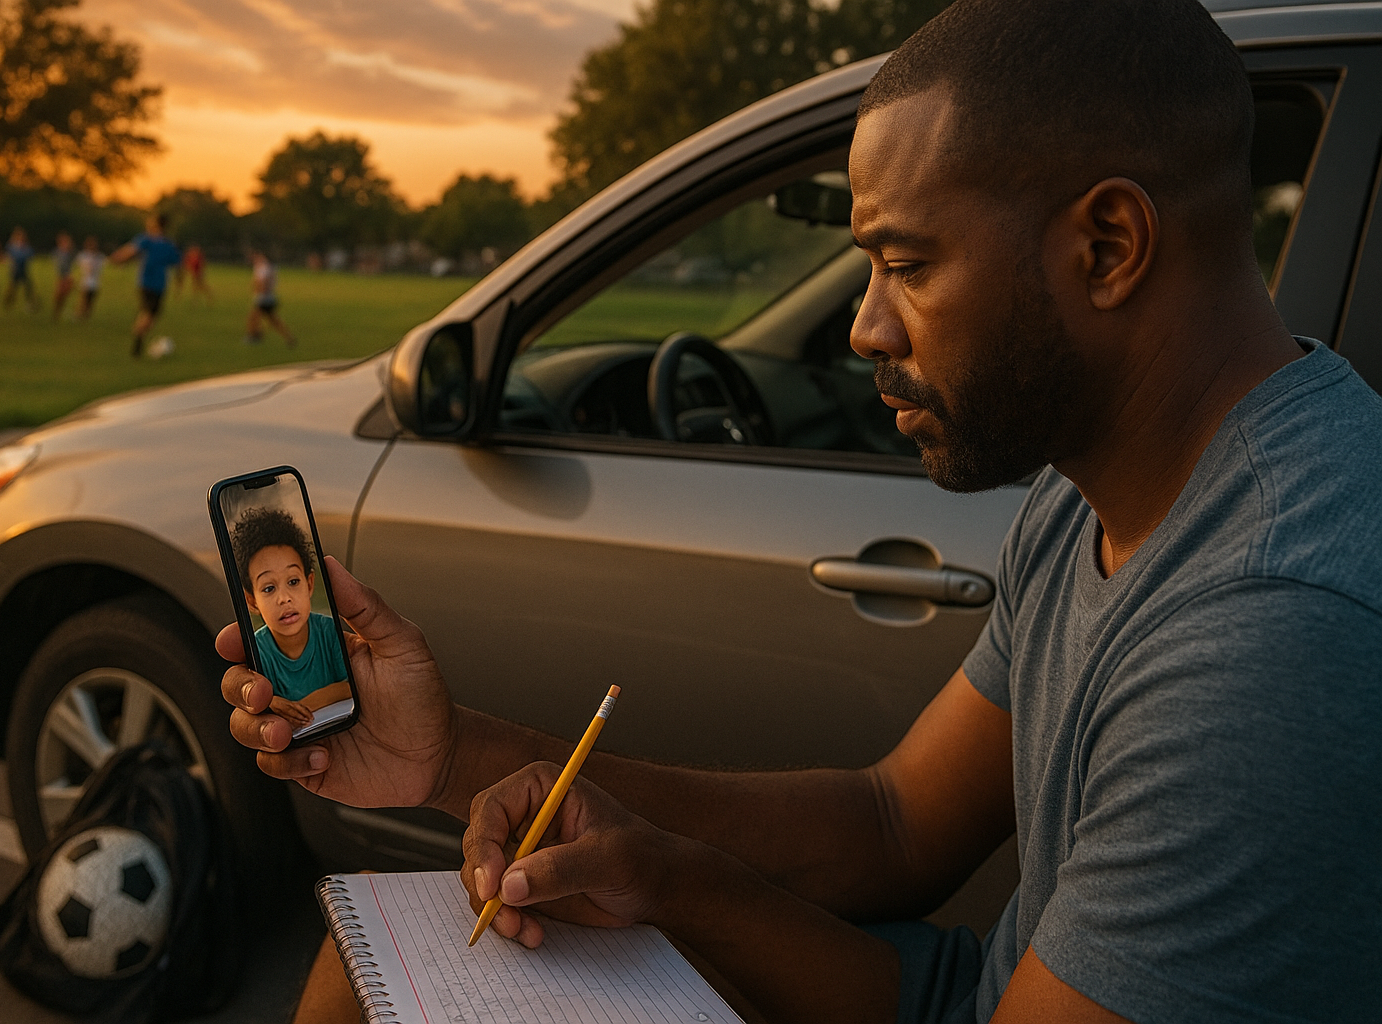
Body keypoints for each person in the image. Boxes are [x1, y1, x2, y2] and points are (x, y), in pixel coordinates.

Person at [220, 1, 1382, 1022]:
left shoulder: (1271, 637)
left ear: (1109, 244)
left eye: (906, 263)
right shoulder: (1106, 486)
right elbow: (893, 825)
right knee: (369, 968)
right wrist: (461, 762)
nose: (867, 327)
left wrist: (673, 888)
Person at [227, 507, 349, 730]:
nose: (284, 598)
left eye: (293, 582)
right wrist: (270, 702)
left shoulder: (328, 631)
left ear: (309, 584)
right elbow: (262, 706)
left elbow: (351, 686)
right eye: (269, 588)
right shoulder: (258, 651)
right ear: (252, 602)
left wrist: (301, 707)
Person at [110, 213, 182, 357]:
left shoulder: (154, 241)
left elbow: (130, 251)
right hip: (152, 284)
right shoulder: (161, 243)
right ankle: (137, 343)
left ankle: (139, 337)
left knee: (150, 315)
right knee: (149, 315)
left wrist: (117, 258)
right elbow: (178, 265)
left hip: (151, 284)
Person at [245, 249, 295, 347]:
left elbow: (264, 282)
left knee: (254, 318)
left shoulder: (264, 268)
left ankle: (254, 336)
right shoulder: (268, 267)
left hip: (264, 298)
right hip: (267, 297)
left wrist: (260, 292)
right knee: (271, 320)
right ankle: (288, 337)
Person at [3, 226, 38, 311]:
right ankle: (8, 302)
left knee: (28, 287)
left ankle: (30, 303)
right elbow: (8, 256)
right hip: (16, 270)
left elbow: (30, 255)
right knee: (13, 288)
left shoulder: (25, 246)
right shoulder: (12, 246)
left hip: (23, 269)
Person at [76, 236, 104, 320]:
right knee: (83, 299)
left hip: (95, 282)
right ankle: (79, 314)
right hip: (86, 281)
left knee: (91, 301)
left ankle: (86, 316)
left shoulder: (99, 256)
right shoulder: (84, 256)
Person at [50, 231, 77, 320]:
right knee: (58, 296)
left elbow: (74, 264)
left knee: (63, 295)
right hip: (60, 276)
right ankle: (56, 312)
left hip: (67, 276)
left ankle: (58, 312)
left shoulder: (70, 253)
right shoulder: (58, 252)